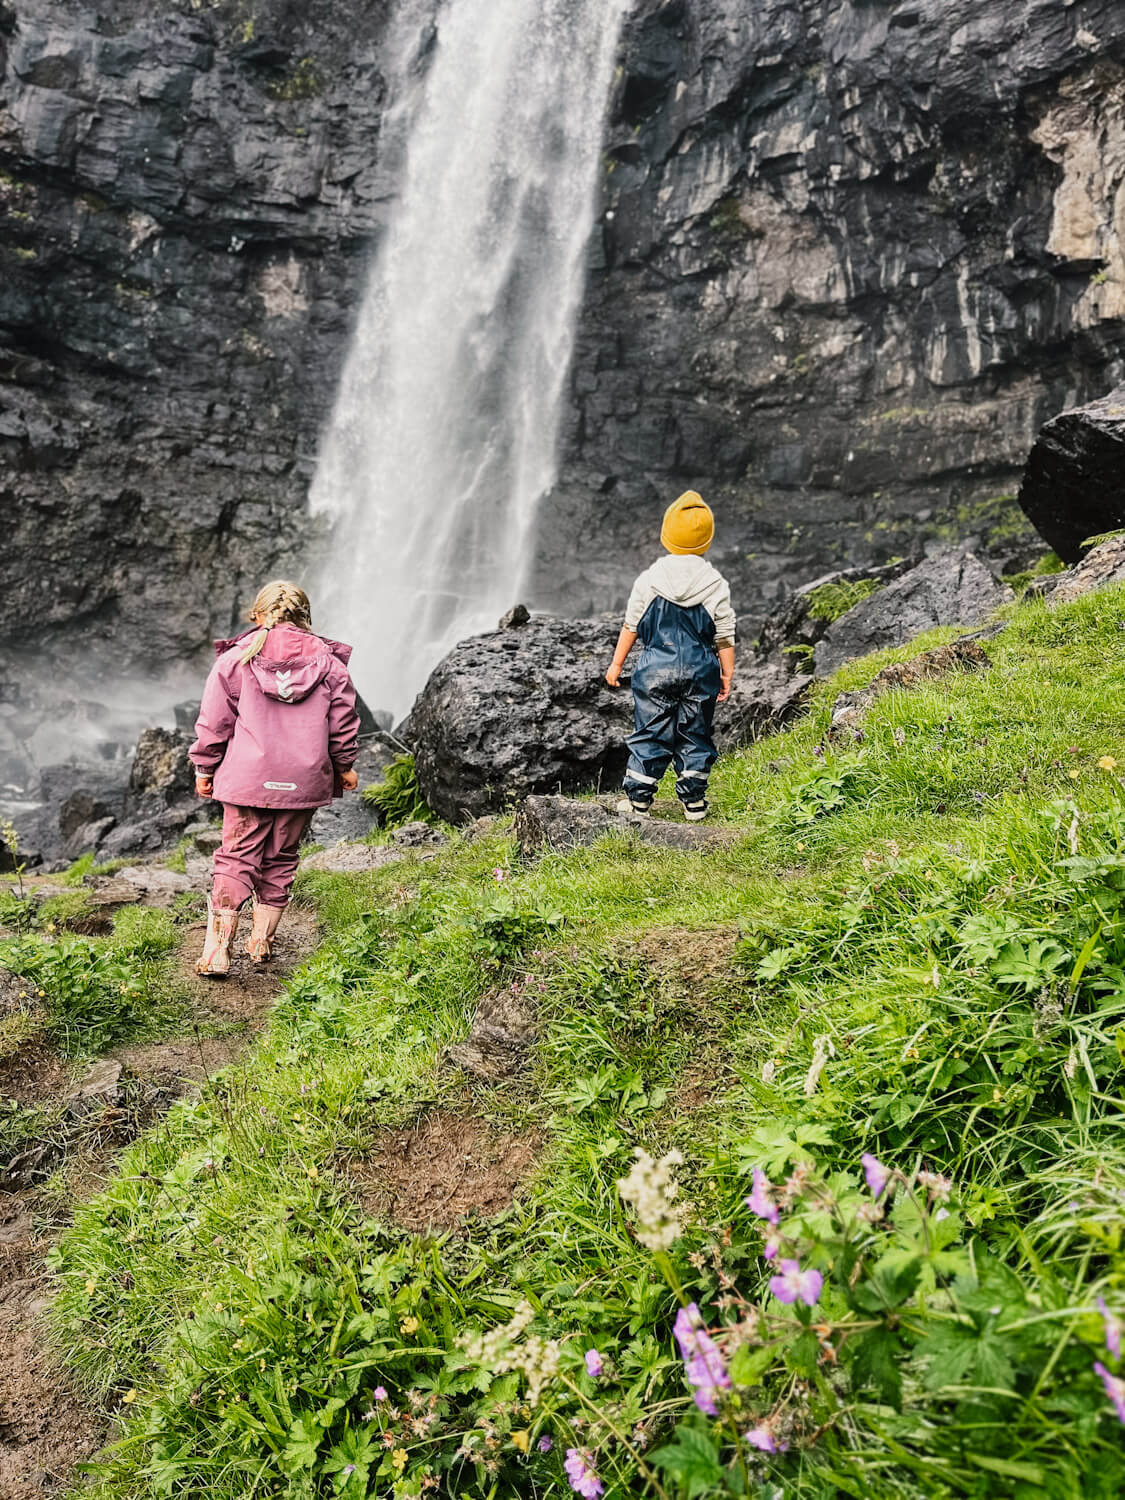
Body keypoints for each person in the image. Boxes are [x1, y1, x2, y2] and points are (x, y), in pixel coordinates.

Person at [189, 580, 361, 977]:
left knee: (235, 857)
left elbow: (214, 722)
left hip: (247, 780)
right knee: (281, 857)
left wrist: (205, 767)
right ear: (306, 618)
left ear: (259, 616)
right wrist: (344, 765)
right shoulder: (330, 665)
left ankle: (217, 951)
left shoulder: (235, 659)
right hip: (303, 781)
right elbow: (344, 724)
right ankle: (261, 942)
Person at [604, 491, 735, 821]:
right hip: (700, 669)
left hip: (654, 670)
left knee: (650, 732)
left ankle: (639, 803)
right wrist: (727, 673)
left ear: (666, 536)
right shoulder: (715, 583)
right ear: (706, 540)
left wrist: (617, 663)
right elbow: (724, 634)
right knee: (695, 732)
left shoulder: (649, 579)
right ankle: (693, 803)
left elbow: (631, 625)